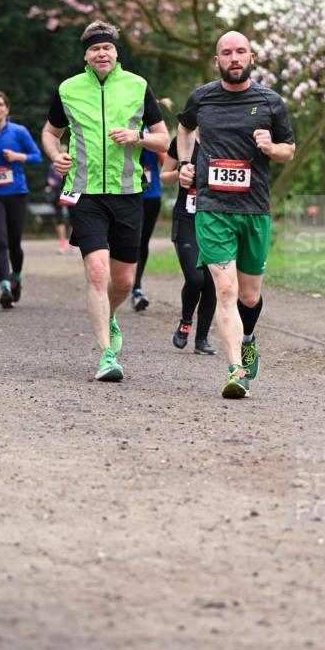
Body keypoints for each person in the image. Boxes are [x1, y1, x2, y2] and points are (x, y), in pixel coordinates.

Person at [41, 20, 169, 382]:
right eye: (95, 48)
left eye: (107, 47)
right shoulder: (69, 89)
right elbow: (50, 132)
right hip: (85, 193)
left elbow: (163, 139)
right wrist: (56, 154)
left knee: (124, 281)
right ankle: (106, 355)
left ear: (116, 52)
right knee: (97, 271)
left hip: (128, 192)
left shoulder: (137, 86)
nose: (102, 53)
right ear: (86, 55)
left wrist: (136, 136)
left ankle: (109, 314)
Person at [177, 31, 295, 399]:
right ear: (217, 60)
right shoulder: (202, 98)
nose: (234, 58)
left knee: (249, 296)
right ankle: (236, 371)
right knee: (224, 289)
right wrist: (184, 163)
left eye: (240, 52)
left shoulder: (270, 101)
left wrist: (270, 147)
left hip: (254, 209)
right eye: (227, 53)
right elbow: (184, 127)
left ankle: (248, 337)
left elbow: (288, 150)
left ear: (251, 58)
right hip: (213, 208)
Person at [0, 91, 42, 308]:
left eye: (0, 104)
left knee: (14, 243)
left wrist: (18, 157)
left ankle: (15, 277)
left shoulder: (19, 132)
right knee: (0, 240)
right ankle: (4, 287)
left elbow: (37, 157)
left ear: (7, 109)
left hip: (16, 193)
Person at [160, 135, 217, 354]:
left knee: (212, 283)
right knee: (195, 278)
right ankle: (185, 322)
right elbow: (164, 176)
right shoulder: (183, 141)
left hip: (215, 222)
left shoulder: (224, 137)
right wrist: (180, 173)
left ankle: (202, 339)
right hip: (187, 220)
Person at [130, 145, 163, 311]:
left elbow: (167, 161)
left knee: (143, 242)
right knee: (132, 241)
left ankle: (137, 287)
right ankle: (132, 287)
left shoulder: (154, 133)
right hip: (127, 193)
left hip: (151, 194)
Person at [45, 148, 73, 253]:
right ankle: (62, 242)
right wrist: (51, 181)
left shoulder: (72, 164)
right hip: (57, 193)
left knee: (73, 217)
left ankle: (72, 243)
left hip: (69, 192)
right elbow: (50, 178)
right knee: (59, 217)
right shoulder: (53, 165)